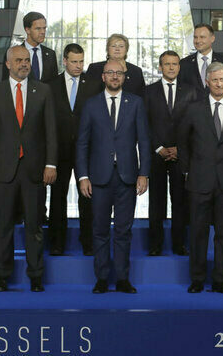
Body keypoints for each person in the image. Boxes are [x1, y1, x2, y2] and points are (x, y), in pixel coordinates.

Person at [0, 45, 58, 293]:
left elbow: (51, 131)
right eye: (18, 60)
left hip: (34, 170)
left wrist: (50, 164)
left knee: (34, 226)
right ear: (8, 64)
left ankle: (36, 275)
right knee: (3, 226)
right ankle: (2, 276)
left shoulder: (43, 90)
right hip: (4, 170)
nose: (24, 64)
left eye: (26, 60)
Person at [76, 59, 150, 294]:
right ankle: (101, 278)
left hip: (127, 177)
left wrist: (144, 173)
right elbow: (82, 143)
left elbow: (144, 141)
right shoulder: (91, 105)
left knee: (123, 231)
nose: (115, 76)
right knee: (99, 230)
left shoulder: (136, 103)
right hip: (98, 178)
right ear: (103, 76)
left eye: (119, 73)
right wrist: (82, 176)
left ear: (124, 77)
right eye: (110, 72)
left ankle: (122, 279)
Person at [178, 62, 223, 293]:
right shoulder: (193, 109)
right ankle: (197, 279)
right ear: (207, 82)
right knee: (198, 232)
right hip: (199, 180)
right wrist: (189, 170)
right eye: (215, 80)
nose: (219, 84)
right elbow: (183, 143)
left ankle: (220, 280)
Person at [49, 43, 101, 256]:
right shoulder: (50, 85)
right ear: (64, 61)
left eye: (81, 61)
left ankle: (88, 242)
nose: (78, 66)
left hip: (86, 151)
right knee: (57, 197)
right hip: (59, 150)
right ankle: (57, 243)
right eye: (74, 61)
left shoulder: (94, 85)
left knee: (87, 197)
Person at [143, 50, 197, 256]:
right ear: (160, 67)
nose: (171, 67)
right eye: (167, 64)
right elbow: (144, 124)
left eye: (175, 64)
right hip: (156, 154)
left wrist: (180, 149)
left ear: (179, 67)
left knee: (180, 201)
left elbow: (195, 125)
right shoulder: (149, 91)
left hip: (181, 155)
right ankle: (155, 245)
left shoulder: (191, 92)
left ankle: (179, 245)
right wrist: (158, 148)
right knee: (156, 201)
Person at [179, 23, 223, 93]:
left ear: (212, 38)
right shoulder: (184, 63)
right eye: (195, 37)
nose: (198, 41)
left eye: (202, 37)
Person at [10, 11, 58, 85]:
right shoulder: (13, 54)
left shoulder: (51, 54)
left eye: (44, 28)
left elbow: (55, 84)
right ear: (27, 30)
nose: (43, 32)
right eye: (38, 29)